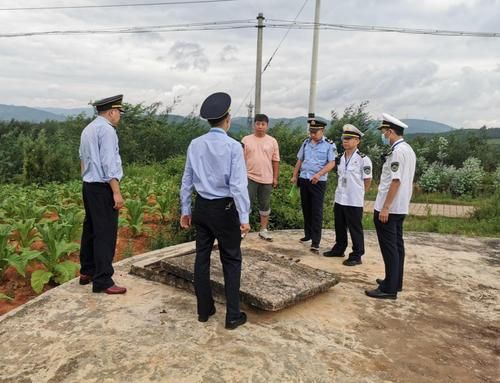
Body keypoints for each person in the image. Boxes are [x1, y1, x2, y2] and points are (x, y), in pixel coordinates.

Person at [180, 92, 250, 330]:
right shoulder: (233, 146)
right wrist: (244, 217)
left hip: (201, 207)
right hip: (225, 208)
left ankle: (204, 309)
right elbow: (238, 186)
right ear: (227, 119)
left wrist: (185, 209)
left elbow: (187, 179)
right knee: (231, 259)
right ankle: (232, 315)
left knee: (202, 257)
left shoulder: (195, 144)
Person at [79, 94, 127, 294]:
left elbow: (82, 159)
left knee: (90, 228)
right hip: (102, 187)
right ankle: (103, 280)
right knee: (105, 233)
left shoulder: (89, 129)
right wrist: (116, 192)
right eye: (119, 113)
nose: (120, 117)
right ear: (111, 112)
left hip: (89, 185)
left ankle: (87, 271)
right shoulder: (107, 131)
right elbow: (109, 164)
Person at [365, 113, 416, 300]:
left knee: (390, 249)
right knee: (397, 246)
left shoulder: (397, 152)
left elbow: (395, 181)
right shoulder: (408, 149)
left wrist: (385, 207)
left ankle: (389, 289)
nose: (383, 135)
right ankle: (394, 281)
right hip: (400, 206)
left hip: (391, 207)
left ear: (391, 131)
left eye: (384, 132)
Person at [323, 124, 372, 266]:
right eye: (344, 138)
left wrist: (361, 193)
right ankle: (339, 248)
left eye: (349, 139)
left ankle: (357, 255)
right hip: (340, 197)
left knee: (355, 228)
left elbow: (367, 180)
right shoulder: (340, 157)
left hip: (354, 199)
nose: (345, 141)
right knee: (339, 225)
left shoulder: (363, 159)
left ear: (357, 141)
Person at [291, 117, 336, 253]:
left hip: (318, 181)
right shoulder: (306, 143)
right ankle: (308, 234)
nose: (312, 135)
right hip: (304, 179)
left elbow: (332, 163)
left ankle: (316, 241)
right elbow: (300, 160)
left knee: (316, 211)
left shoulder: (329, 144)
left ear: (322, 130)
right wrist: (294, 175)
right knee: (306, 208)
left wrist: (319, 174)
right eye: (311, 132)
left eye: (315, 132)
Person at [241, 113, 280, 241]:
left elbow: (275, 160)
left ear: (267, 126)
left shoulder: (272, 141)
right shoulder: (246, 140)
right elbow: (240, 160)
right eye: (258, 123)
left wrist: (275, 178)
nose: (260, 126)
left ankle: (263, 230)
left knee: (265, 205)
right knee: (246, 204)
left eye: (263, 124)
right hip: (249, 176)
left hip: (267, 178)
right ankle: (243, 229)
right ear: (254, 125)